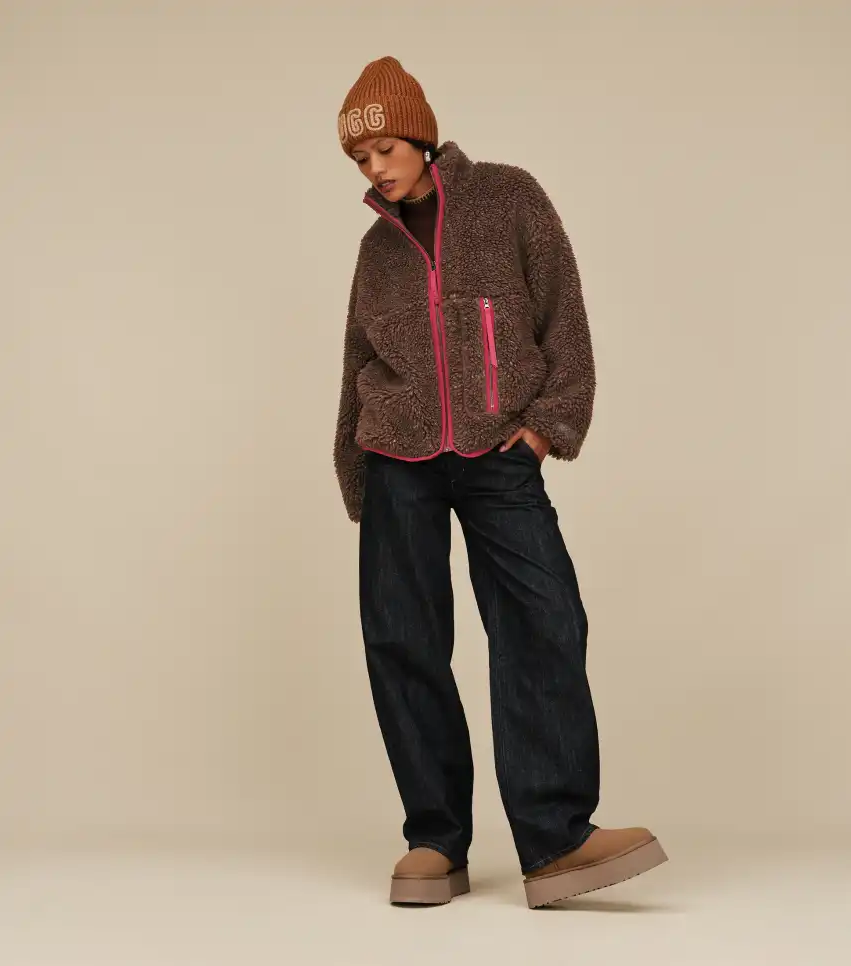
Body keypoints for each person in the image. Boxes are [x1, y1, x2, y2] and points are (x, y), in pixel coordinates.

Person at [333, 56, 667, 909]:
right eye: (359, 158)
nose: (374, 168)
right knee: (402, 639)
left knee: (543, 619)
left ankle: (556, 839)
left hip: (498, 450)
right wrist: (355, 467)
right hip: (398, 456)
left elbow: (563, 316)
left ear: (420, 135)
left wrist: (549, 425)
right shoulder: (377, 249)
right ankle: (434, 840)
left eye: (384, 148)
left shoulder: (508, 198)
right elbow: (358, 361)